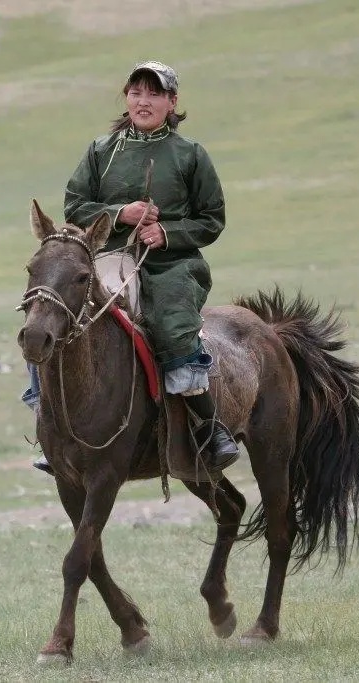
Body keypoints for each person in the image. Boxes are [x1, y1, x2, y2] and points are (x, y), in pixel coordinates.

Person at [24, 60, 239, 475]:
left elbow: (211, 218)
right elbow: (75, 206)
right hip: (105, 259)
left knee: (170, 322)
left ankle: (210, 428)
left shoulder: (190, 155)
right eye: (136, 92)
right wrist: (121, 212)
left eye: (154, 93)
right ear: (127, 98)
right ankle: (49, 424)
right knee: (51, 313)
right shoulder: (101, 151)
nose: (144, 101)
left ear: (172, 102)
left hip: (172, 264)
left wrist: (168, 234)